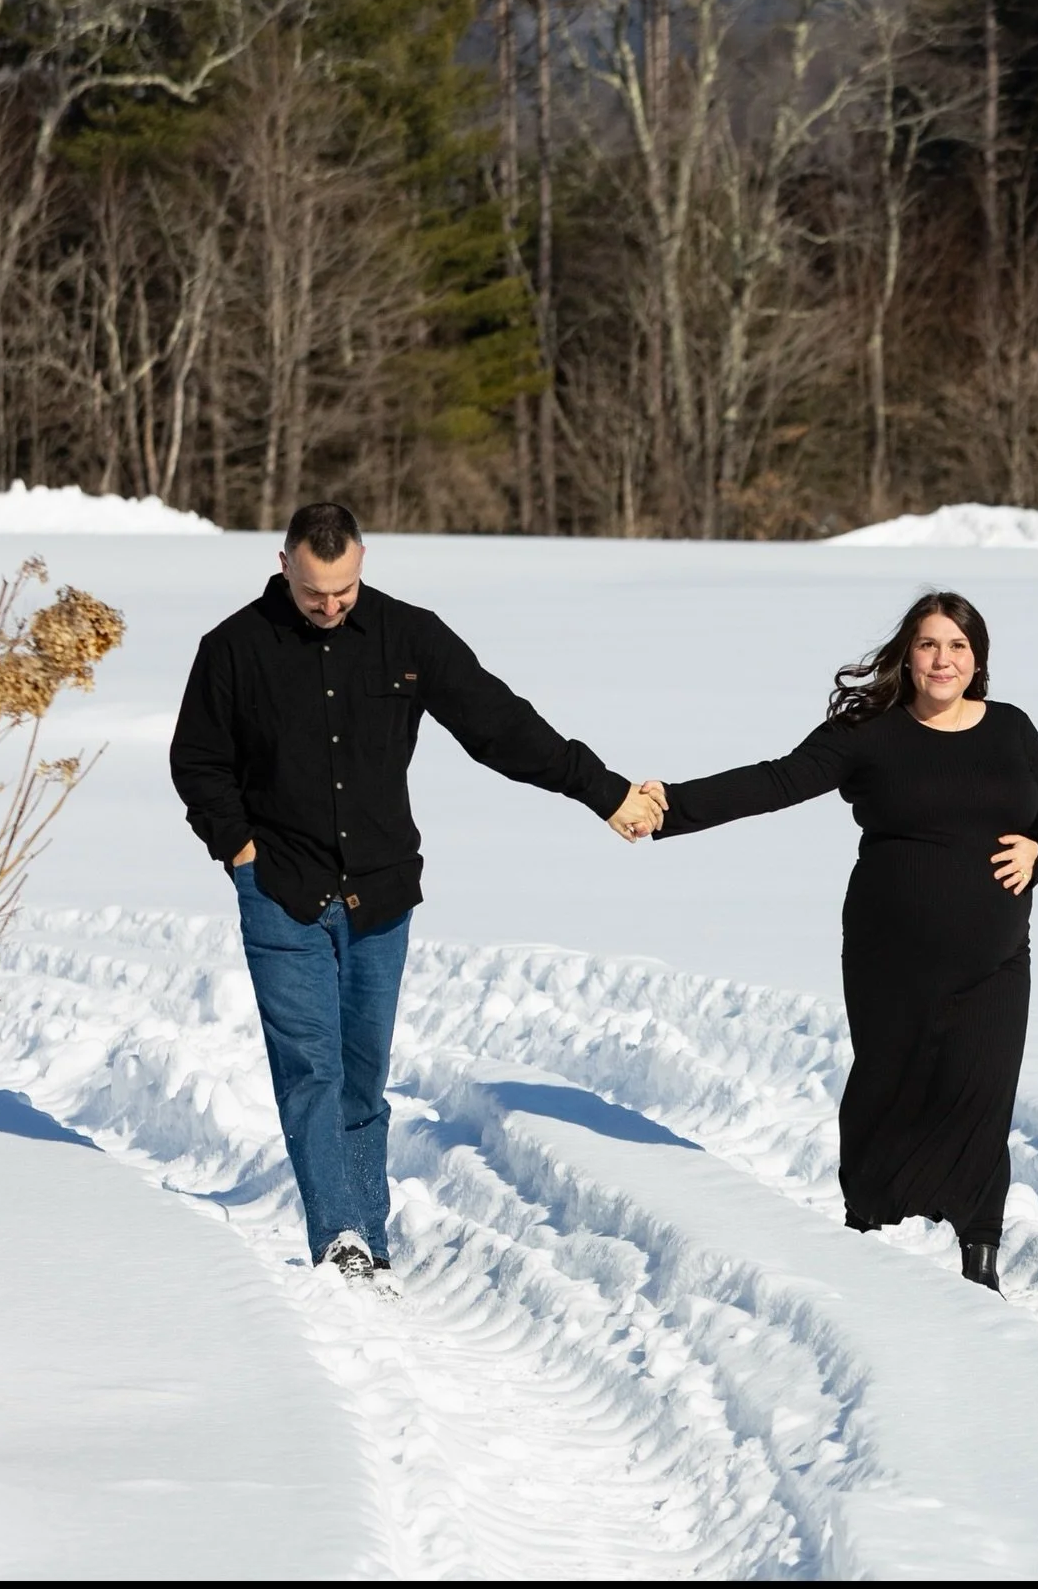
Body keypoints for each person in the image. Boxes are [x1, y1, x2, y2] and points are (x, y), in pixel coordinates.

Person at [169, 502, 666, 1288]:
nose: (331, 605)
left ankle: (370, 1236)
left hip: (380, 892)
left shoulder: (408, 636)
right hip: (281, 889)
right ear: (284, 565)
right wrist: (240, 850)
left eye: (345, 589)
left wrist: (602, 792)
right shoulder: (234, 648)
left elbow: (502, 727)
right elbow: (197, 761)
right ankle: (340, 1240)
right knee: (311, 1069)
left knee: (362, 1077)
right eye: (313, 592)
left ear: (362, 562)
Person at [640, 591, 1038, 1294]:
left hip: (994, 960)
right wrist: (671, 808)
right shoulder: (875, 734)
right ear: (907, 653)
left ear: (978, 658)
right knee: (887, 1082)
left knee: (983, 1093)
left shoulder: (1012, 729)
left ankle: (980, 1258)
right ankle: (865, 1226)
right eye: (929, 644)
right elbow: (777, 781)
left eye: (957, 646)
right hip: (889, 952)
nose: (943, 659)